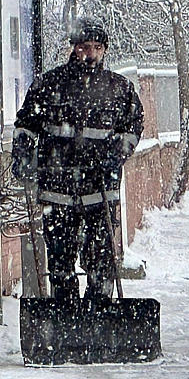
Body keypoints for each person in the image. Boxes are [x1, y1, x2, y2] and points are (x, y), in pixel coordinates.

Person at [12, 17, 144, 303]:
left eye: (97, 47)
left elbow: (133, 127)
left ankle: (99, 316)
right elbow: (25, 124)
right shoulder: (48, 85)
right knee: (60, 263)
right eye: (85, 47)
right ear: (73, 48)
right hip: (57, 190)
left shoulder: (119, 89)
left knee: (101, 261)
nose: (91, 54)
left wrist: (117, 154)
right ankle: (64, 318)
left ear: (105, 50)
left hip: (100, 190)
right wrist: (22, 152)